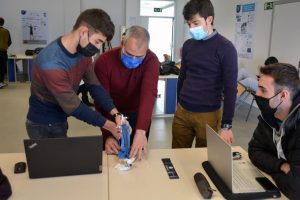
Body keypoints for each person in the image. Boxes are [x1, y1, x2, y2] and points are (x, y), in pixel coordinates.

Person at [26, 9, 123, 139]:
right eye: (97, 41)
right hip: (42, 123)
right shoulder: (51, 63)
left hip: (61, 117)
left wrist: (116, 114)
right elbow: (74, 106)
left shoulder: (84, 54)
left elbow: (95, 86)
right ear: (83, 32)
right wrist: (111, 126)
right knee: (49, 159)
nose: (98, 48)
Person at [172, 0, 238, 148]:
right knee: (177, 154)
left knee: (204, 159)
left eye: (195, 23)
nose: (191, 28)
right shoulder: (188, 45)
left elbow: (230, 89)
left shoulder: (226, 48)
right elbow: (182, 77)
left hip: (208, 115)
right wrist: (178, 104)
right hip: (182, 112)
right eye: (189, 24)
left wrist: (226, 125)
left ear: (209, 19)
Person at [94, 26, 159, 159]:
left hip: (138, 115)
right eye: (129, 54)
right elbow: (101, 100)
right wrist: (107, 136)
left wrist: (141, 132)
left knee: (136, 156)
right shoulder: (104, 61)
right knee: (112, 156)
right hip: (111, 114)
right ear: (122, 44)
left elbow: (148, 94)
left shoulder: (152, 60)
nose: (134, 59)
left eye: (139, 56)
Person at [248, 63, 300, 199]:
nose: (256, 94)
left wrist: (269, 165)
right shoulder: (269, 116)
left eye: (263, 90)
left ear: (283, 96)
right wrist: (282, 166)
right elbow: (254, 151)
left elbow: (296, 188)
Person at [0, 17, 12, 88]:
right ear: (3, 23)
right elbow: (9, 42)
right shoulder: (6, 31)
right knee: (1, 68)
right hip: (2, 52)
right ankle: (1, 82)